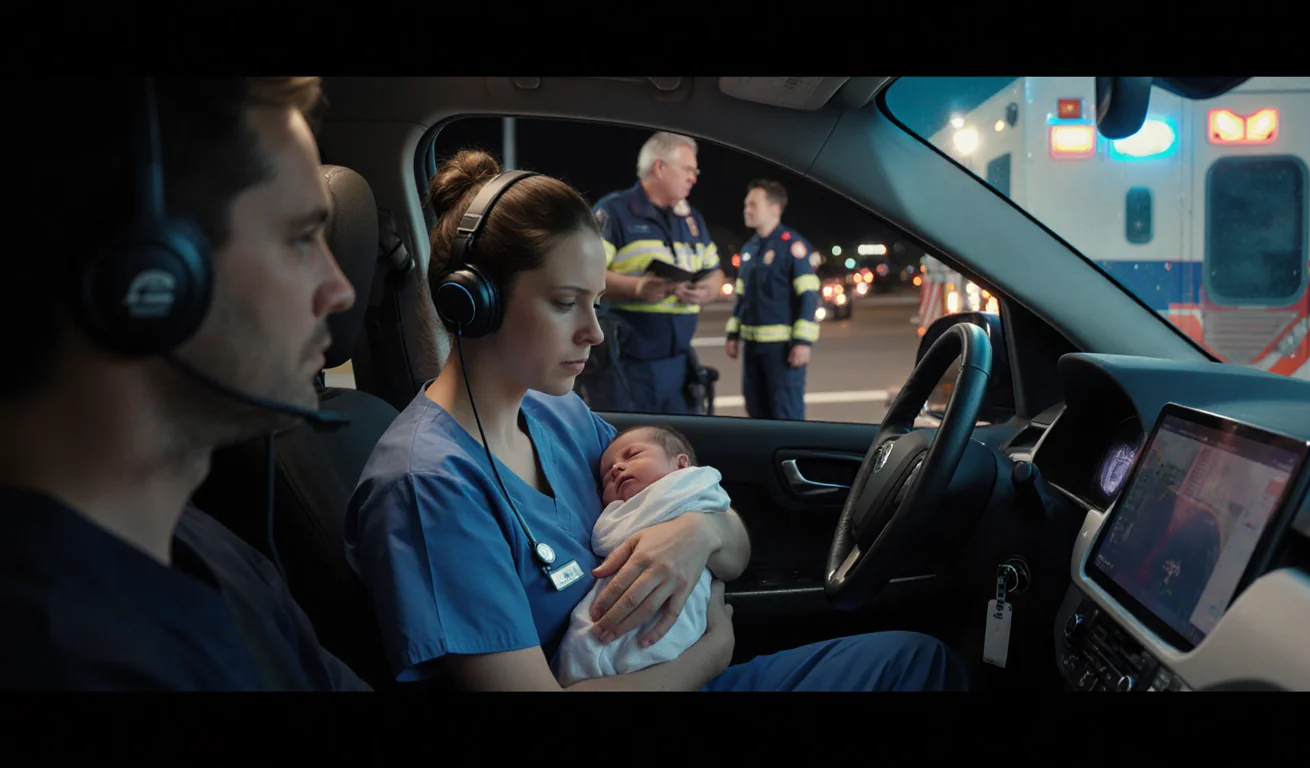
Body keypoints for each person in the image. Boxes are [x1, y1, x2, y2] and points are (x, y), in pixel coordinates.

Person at [344, 148, 969, 692]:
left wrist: (697, 532)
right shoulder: (429, 486)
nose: (593, 332)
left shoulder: (557, 413)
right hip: (678, 672)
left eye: (596, 302)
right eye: (565, 303)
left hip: (665, 667)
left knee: (918, 658)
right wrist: (709, 656)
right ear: (472, 301)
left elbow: (732, 544)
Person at [0, 77, 371, 691]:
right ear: (151, 278)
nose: (341, 291)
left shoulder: (200, 545)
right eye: (302, 239)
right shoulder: (59, 654)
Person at [552, 424, 731, 686]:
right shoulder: (710, 493)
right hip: (690, 637)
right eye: (606, 479)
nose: (616, 469)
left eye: (633, 455)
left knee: (587, 646)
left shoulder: (674, 492)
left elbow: (605, 539)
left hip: (657, 625)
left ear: (681, 465)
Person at [581, 132, 725, 415]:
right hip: (626, 366)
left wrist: (709, 289)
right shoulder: (614, 212)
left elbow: (715, 272)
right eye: (688, 169)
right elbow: (583, 274)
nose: (693, 178)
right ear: (660, 167)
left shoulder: (692, 218)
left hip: (679, 364)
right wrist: (636, 288)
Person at [724, 179, 821, 421]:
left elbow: (809, 296)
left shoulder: (793, 246)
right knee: (755, 412)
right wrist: (733, 334)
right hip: (752, 350)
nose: (746, 210)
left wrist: (802, 343)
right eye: (746, 205)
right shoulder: (749, 250)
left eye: (753, 204)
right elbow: (741, 298)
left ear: (775, 209)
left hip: (782, 352)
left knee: (786, 415)